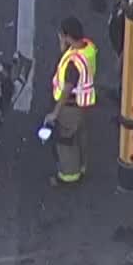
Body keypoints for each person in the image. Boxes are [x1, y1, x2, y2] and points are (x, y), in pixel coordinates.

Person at [43, 16, 98, 186]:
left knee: (66, 141)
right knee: (80, 135)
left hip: (69, 107)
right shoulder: (87, 48)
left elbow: (67, 88)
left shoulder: (74, 64)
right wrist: (63, 46)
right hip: (82, 105)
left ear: (67, 36)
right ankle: (82, 166)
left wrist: (55, 113)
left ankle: (68, 176)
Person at [106, 0, 133, 97]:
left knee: (124, 75)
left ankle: (121, 98)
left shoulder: (128, 15)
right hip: (117, 45)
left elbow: (128, 39)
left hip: (123, 51)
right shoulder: (118, 5)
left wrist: (121, 58)